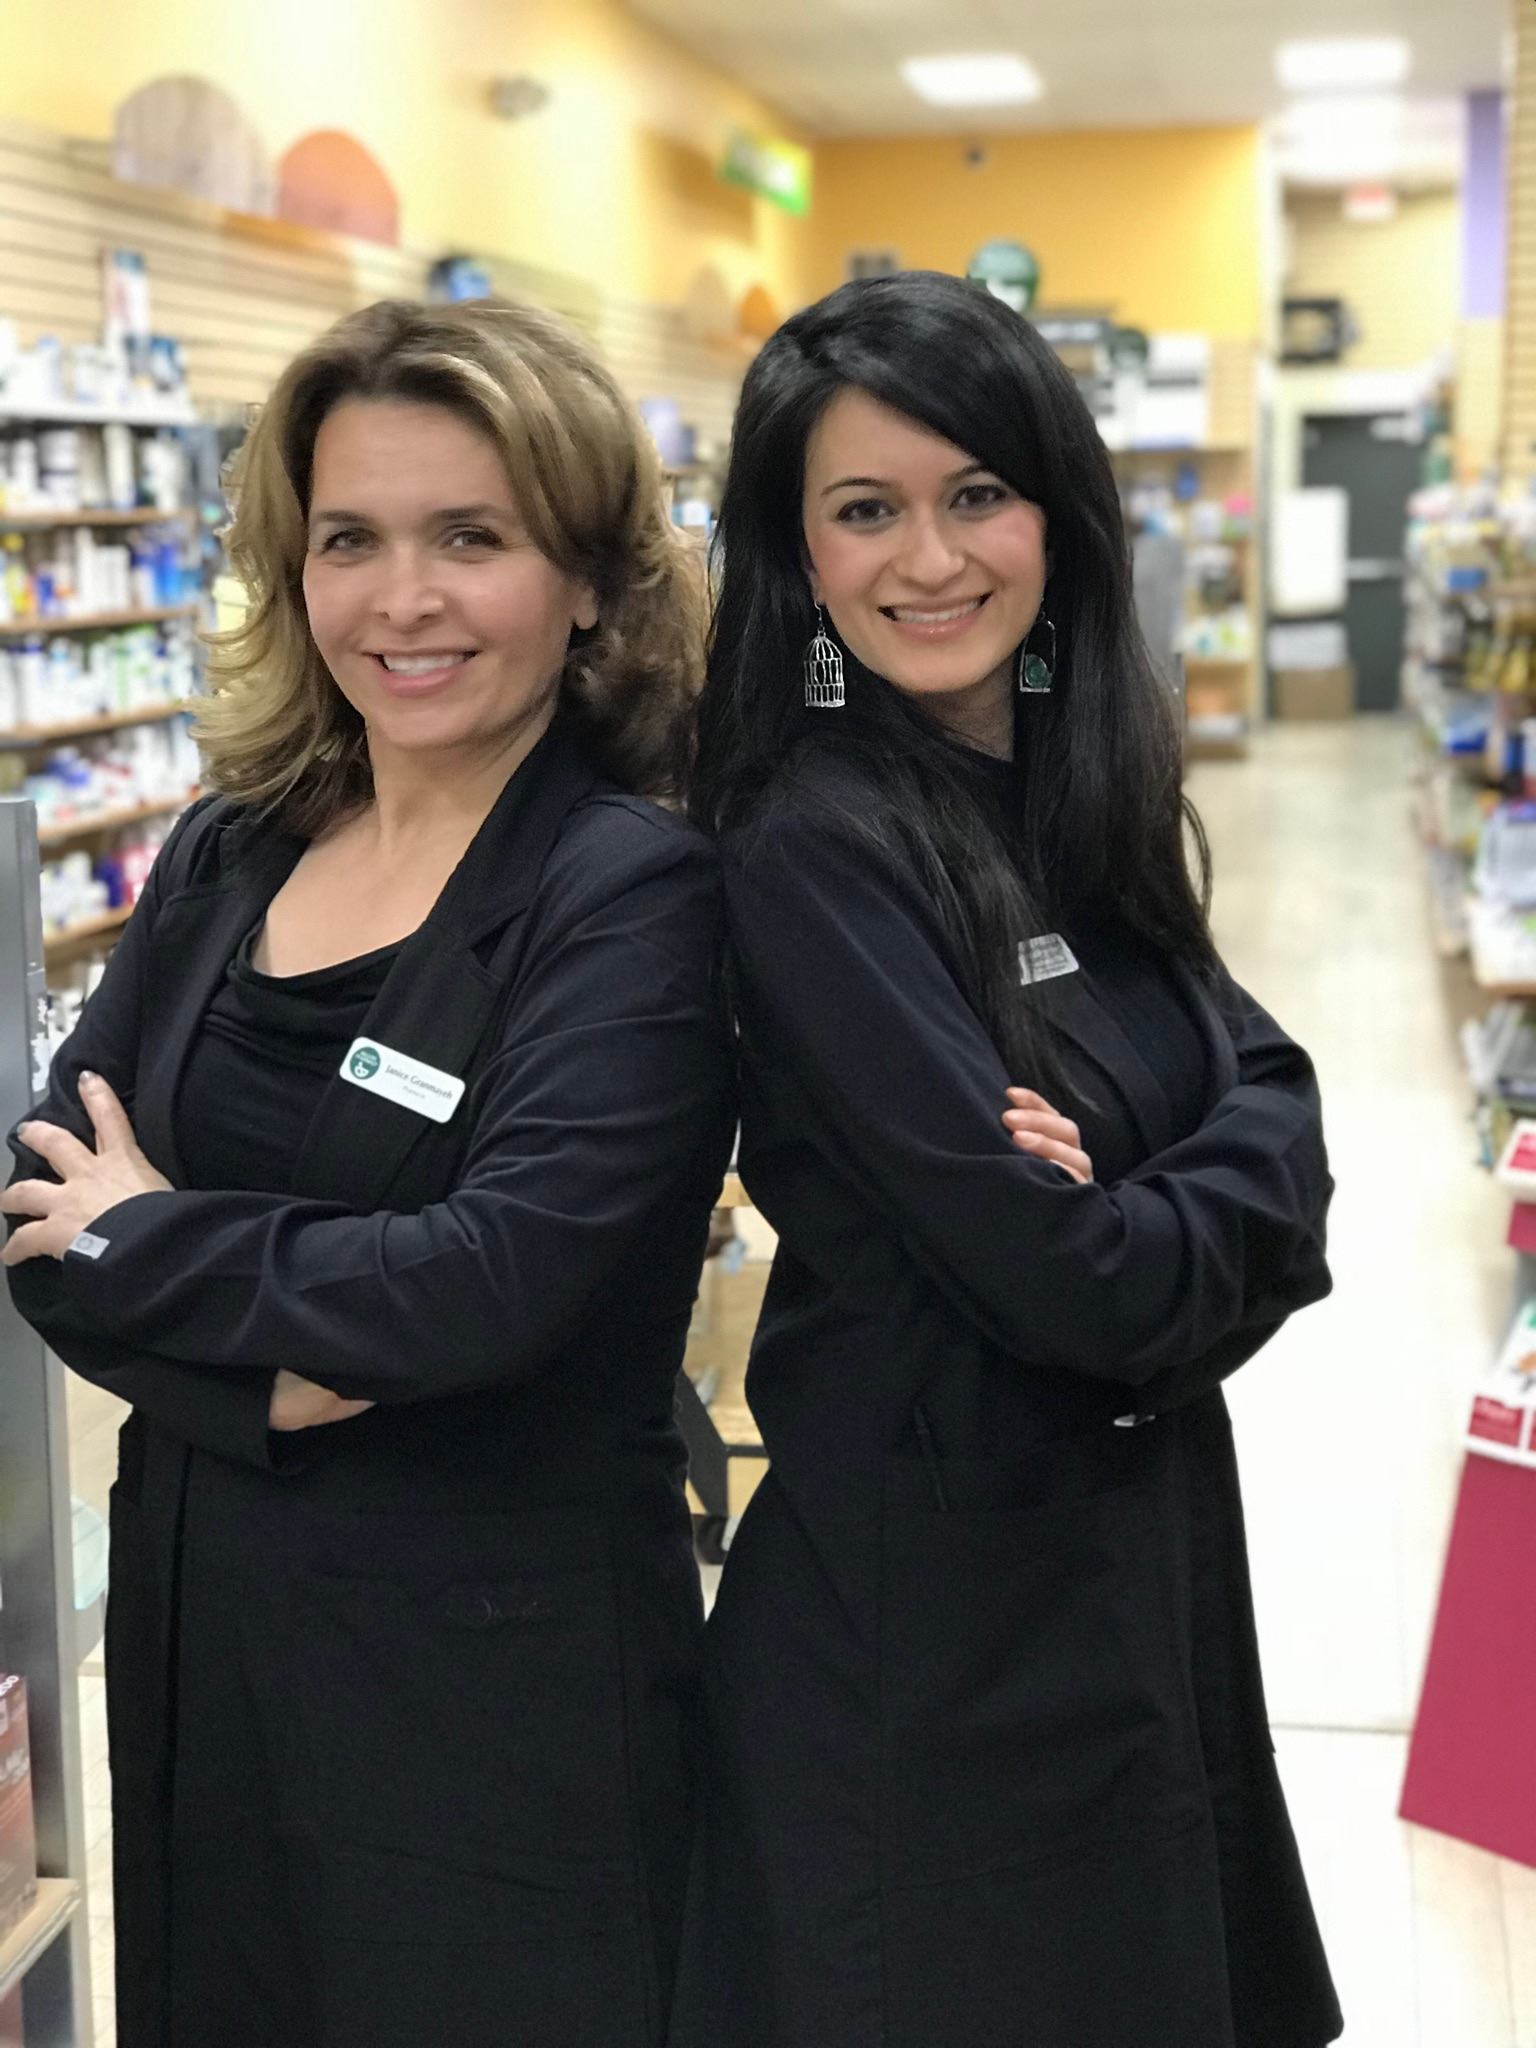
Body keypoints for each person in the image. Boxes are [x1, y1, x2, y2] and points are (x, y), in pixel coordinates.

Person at [2, 296, 733, 2048]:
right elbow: (35, 1210)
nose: (402, 599)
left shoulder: (631, 891)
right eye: (350, 540)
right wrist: (279, 1368)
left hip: (494, 1708)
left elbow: (491, 1283)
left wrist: (148, 1241)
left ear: (587, 581)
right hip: (207, 1667)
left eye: (470, 538)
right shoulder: (230, 848)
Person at [668, 271, 1342, 2048]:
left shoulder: (1068, 790)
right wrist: (1189, 1202)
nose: (931, 559)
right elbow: (1073, 1283)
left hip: (1129, 1566)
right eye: (864, 510)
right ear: (796, 554)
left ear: (1056, 510)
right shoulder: (812, 844)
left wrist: (1153, 1192)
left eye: (977, 493)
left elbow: (1282, 1097)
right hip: (934, 1631)